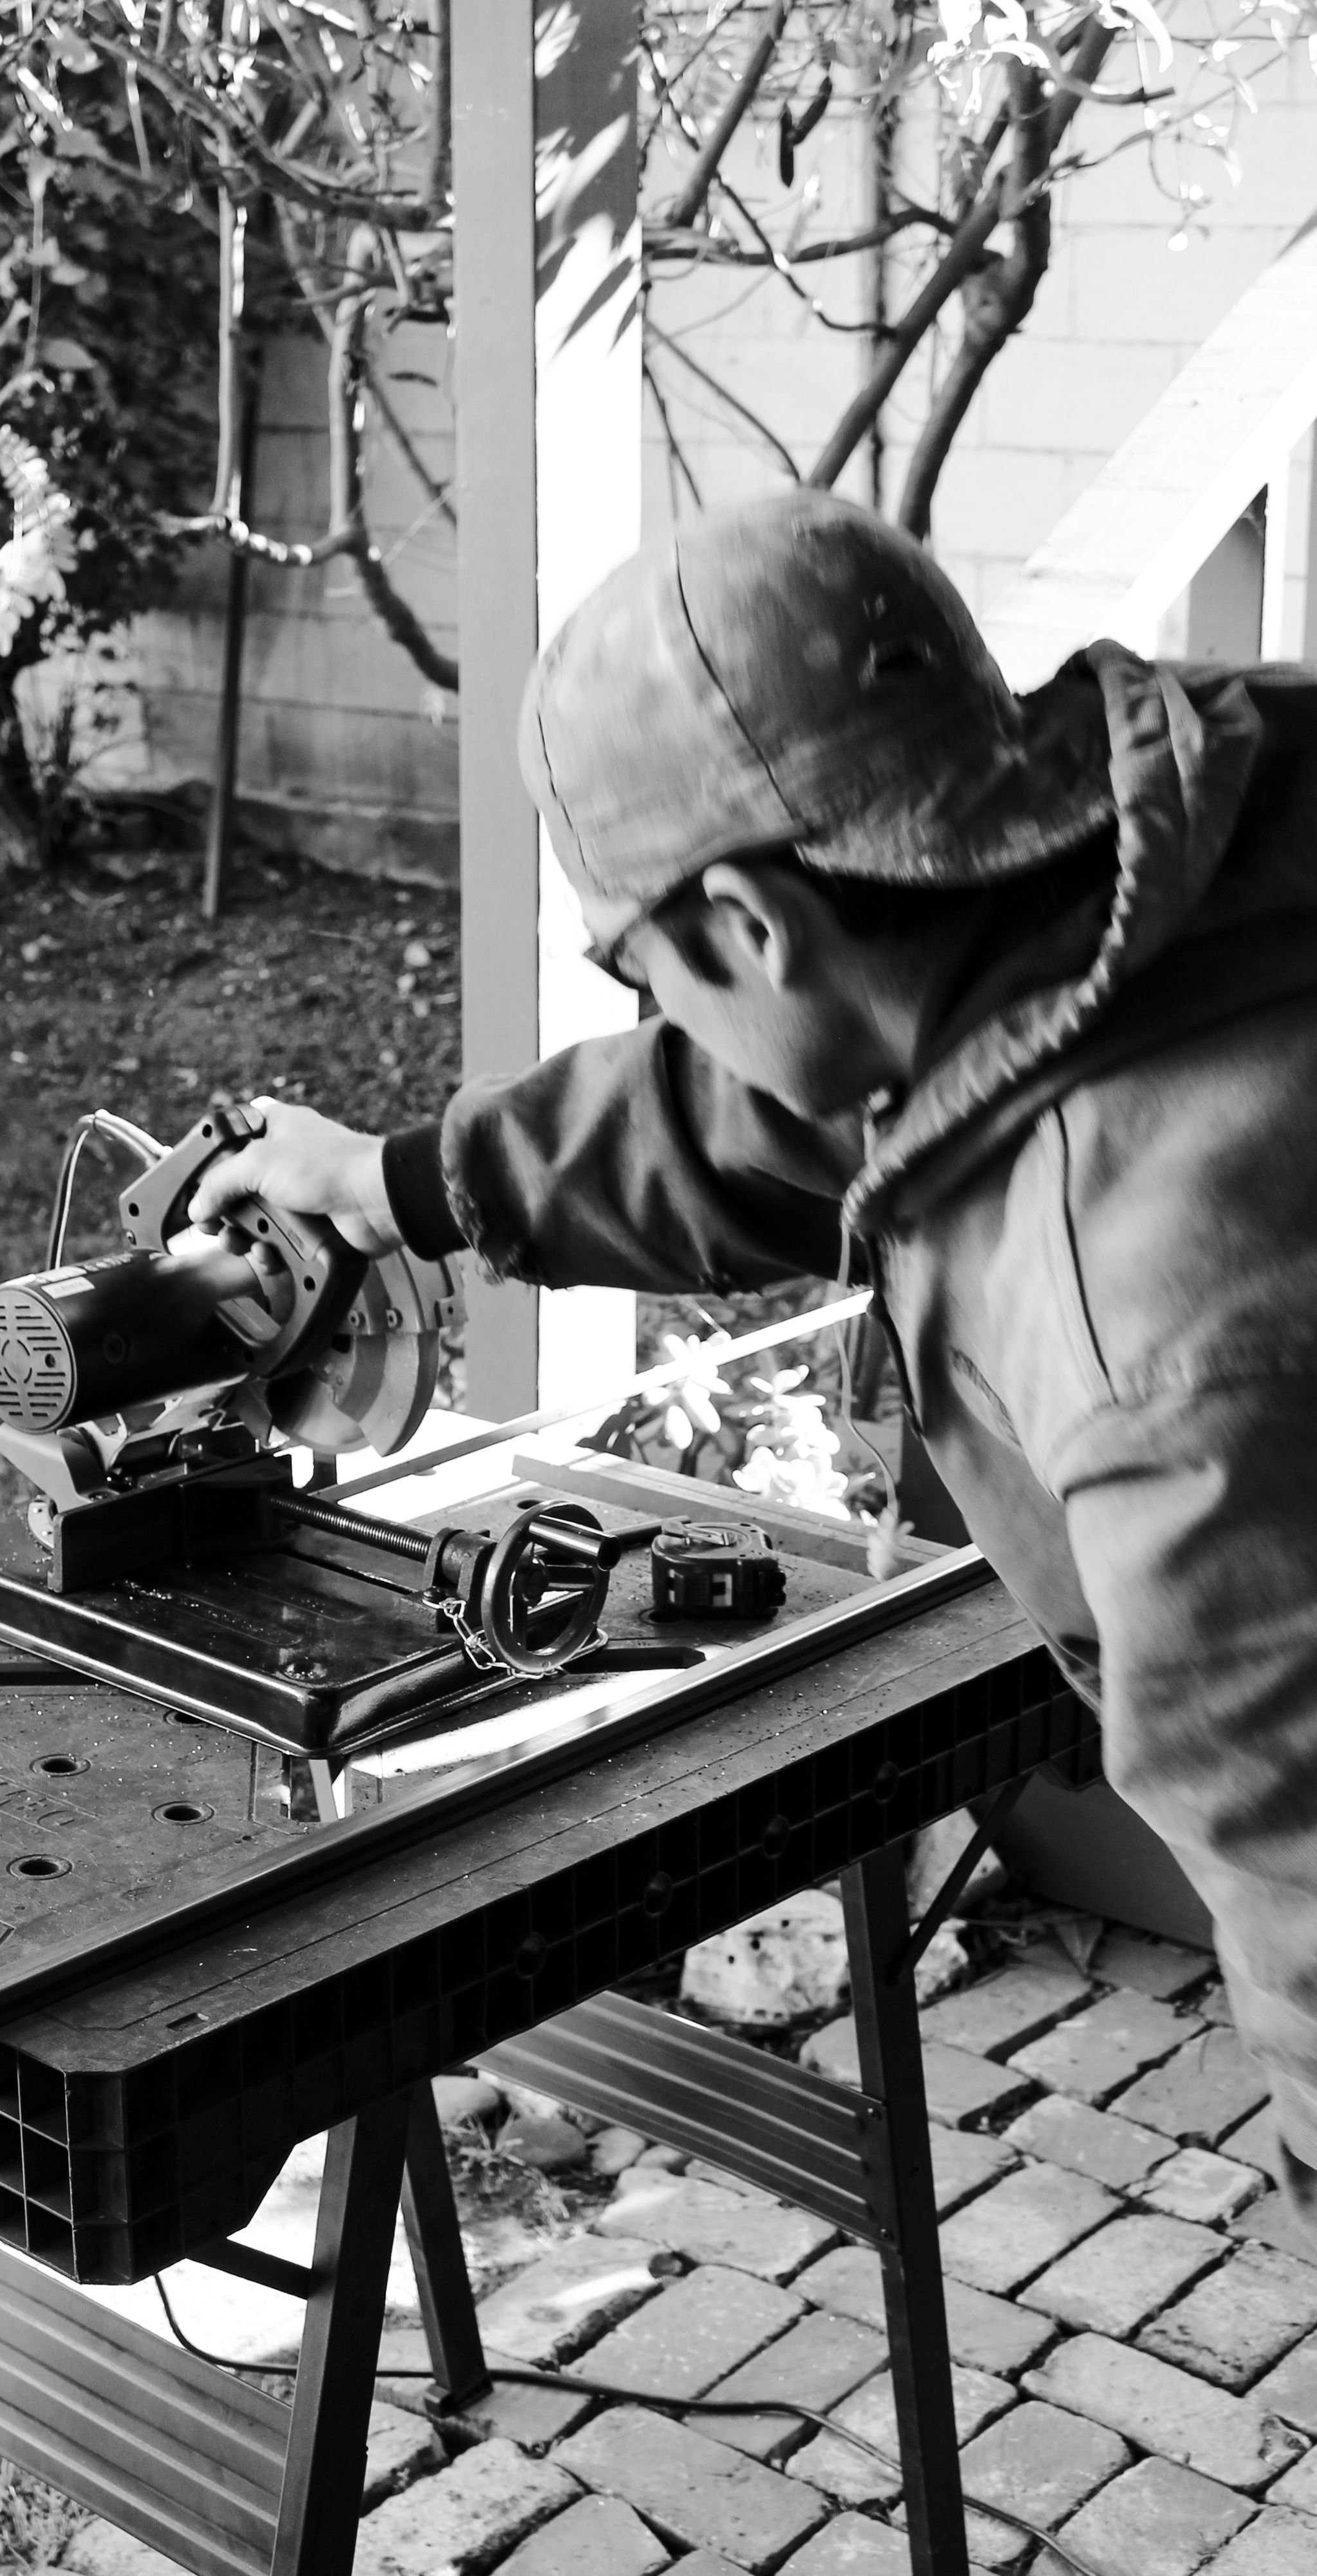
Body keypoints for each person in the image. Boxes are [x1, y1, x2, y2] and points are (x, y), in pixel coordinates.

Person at [187, 487, 1317, 2256]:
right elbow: (787, 1101)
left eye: (648, 975)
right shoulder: (1168, 841)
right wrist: (398, 1181)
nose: (664, 1026)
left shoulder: (1155, 1328)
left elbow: (1299, 1848)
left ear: (753, 930)